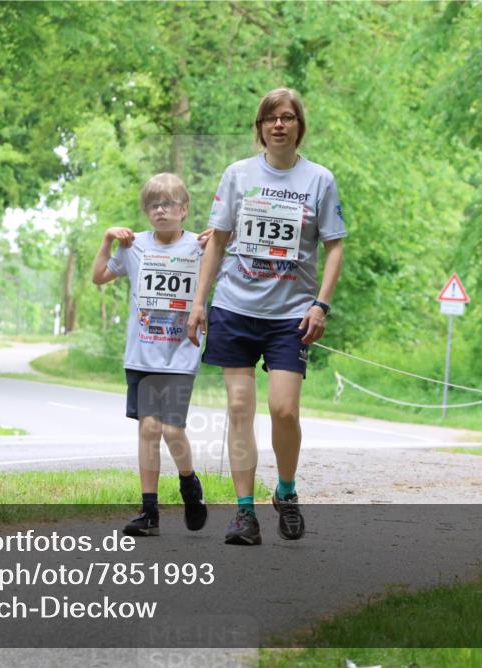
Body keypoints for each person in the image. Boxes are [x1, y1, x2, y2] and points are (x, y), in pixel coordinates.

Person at [187, 88, 346, 545]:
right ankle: (243, 513)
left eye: (288, 118)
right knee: (239, 408)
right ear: (259, 128)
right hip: (235, 306)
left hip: (290, 314)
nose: (279, 125)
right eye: (270, 118)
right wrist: (199, 301)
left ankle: (287, 491)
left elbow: (334, 246)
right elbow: (217, 239)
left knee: (284, 409)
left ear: (299, 127)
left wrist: (321, 303)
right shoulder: (238, 175)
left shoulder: (319, 179)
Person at [92, 172, 209, 537]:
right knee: (148, 429)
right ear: (146, 211)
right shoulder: (133, 247)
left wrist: (226, 237)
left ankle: (189, 483)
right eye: (153, 205)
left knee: (172, 430)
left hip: (180, 354)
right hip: (141, 354)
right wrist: (108, 238)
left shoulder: (200, 247)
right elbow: (98, 276)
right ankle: (149, 511)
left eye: (169, 204)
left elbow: (235, 265)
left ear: (184, 209)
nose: (161, 211)